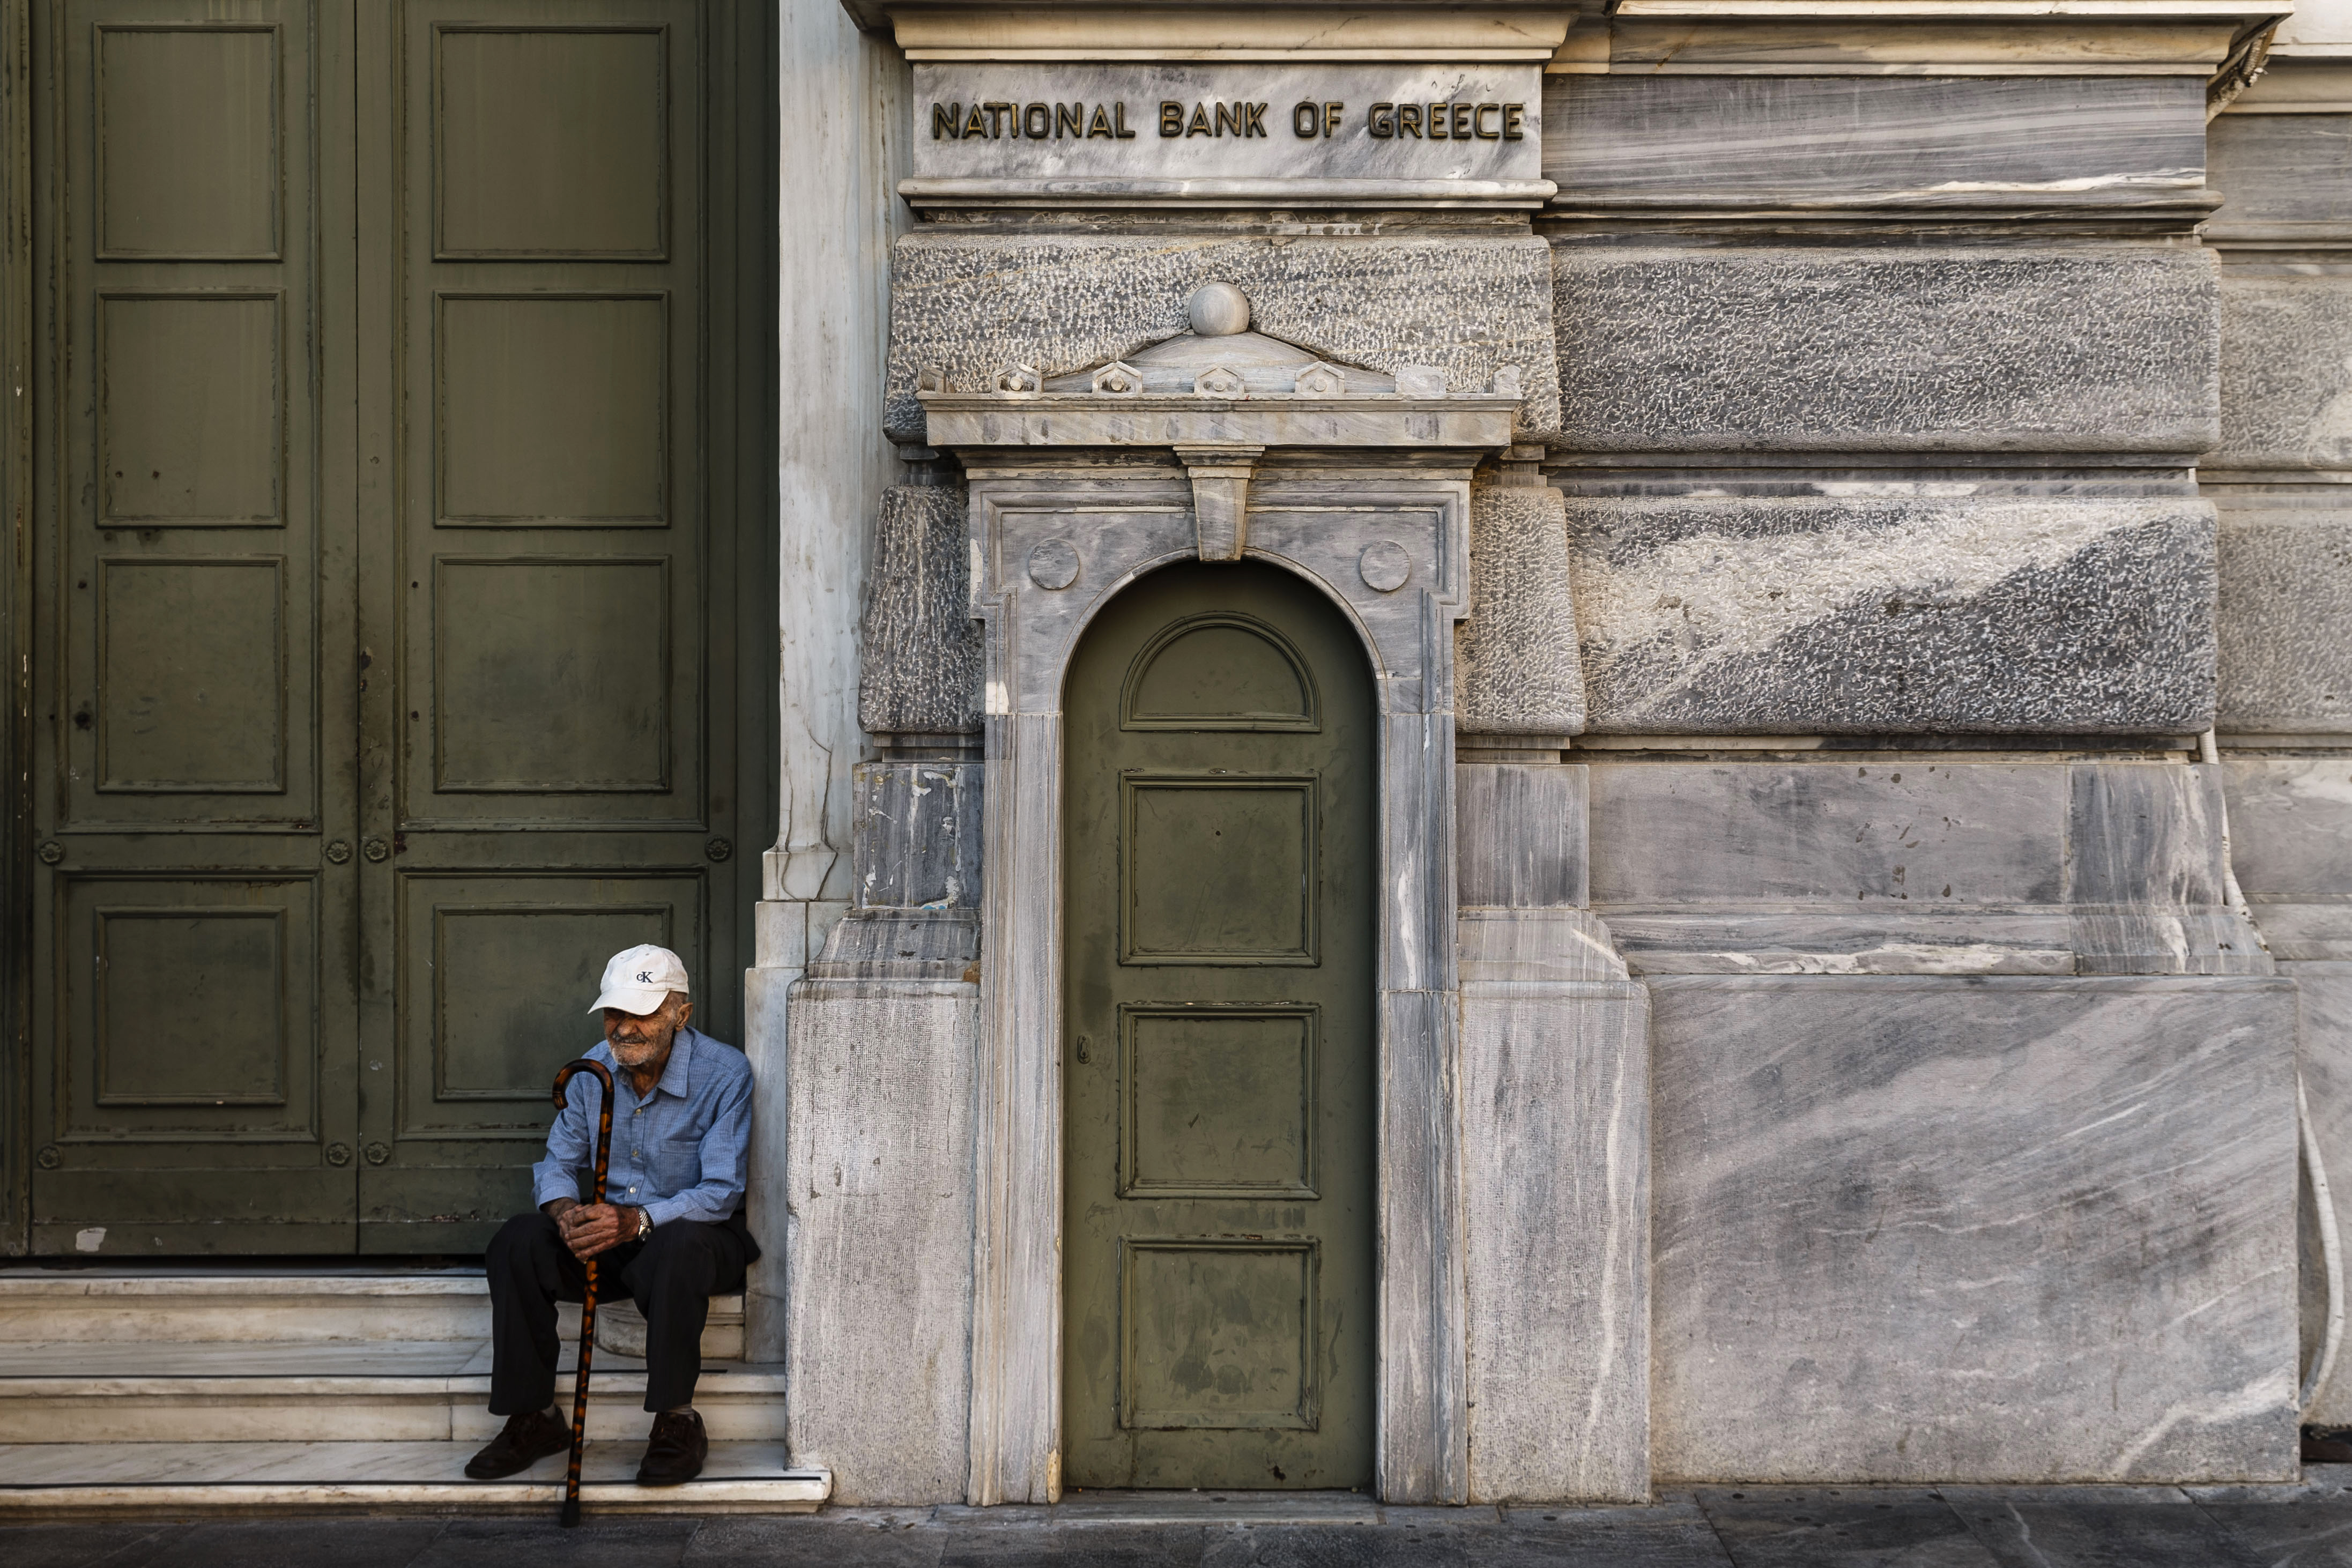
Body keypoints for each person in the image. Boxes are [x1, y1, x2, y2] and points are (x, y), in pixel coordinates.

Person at [463, 943, 757, 1486]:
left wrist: (636, 1219)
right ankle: (533, 1417)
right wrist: (565, 1211)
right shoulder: (591, 1069)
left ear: (680, 1015)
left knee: (680, 1245)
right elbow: (558, 1162)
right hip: (613, 1240)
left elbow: (720, 1193)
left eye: (641, 1014)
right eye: (614, 1013)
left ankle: (676, 1420)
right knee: (519, 1240)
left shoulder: (724, 1073)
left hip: (692, 1240)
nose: (623, 1028)